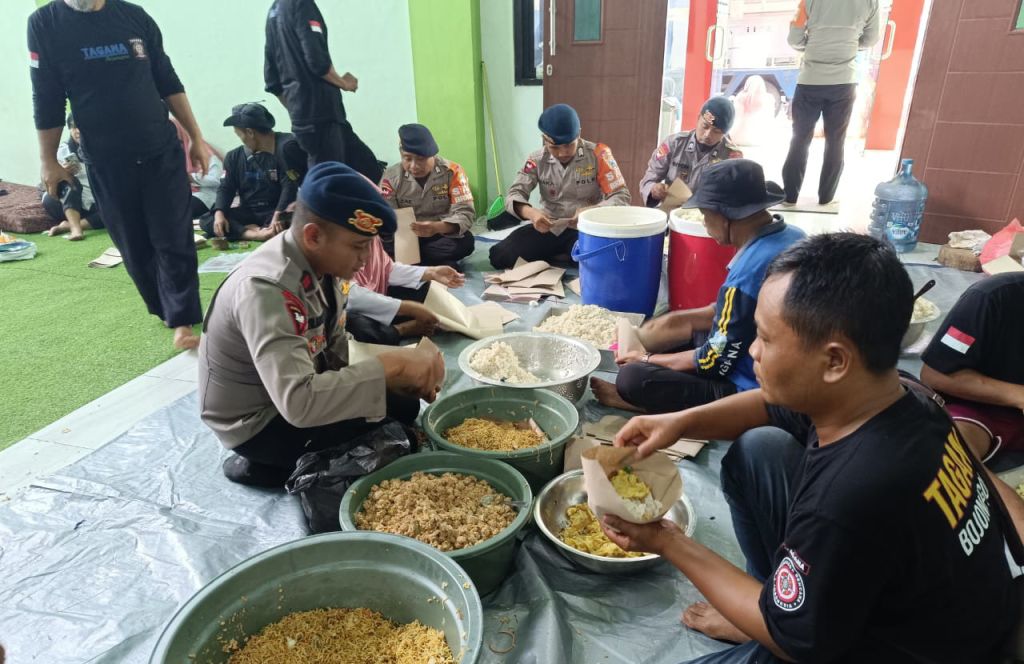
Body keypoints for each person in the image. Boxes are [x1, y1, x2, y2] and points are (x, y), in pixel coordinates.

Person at [604, 233, 1021, 663]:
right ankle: (775, 605)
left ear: (835, 361)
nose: (752, 349)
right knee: (759, 449)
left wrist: (666, 540)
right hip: (949, 614)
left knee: (780, 639)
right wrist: (681, 421)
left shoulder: (850, 496)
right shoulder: (908, 399)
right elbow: (768, 405)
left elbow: (796, 646)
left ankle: (773, 614)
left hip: (889, 650)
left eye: (766, 337)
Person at [199, 162, 445, 487]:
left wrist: (394, 378)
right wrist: (389, 367)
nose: (366, 259)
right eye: (358, 247)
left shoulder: (324, 266)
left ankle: (291, 460)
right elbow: (298, 404)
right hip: (259, 421)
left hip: (290, 395)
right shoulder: (267, 289)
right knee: (397, 439)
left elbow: (333, 351)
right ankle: (266, 464)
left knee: (403, 404)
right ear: (313, 236)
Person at [30, 0, 209, 350]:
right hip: (106, 159)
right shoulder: (45, 23)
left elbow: (167, 80)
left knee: (173, 236)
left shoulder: (133, 16)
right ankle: (166, 308)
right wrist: (48, 159)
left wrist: (196, 138)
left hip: (160, 150)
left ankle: (183, 320)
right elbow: (46, 96)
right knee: (133, 243)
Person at [591, 160, 805, 414]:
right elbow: (738, 314)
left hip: (753, 390)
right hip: (776, 360)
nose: (704, 223)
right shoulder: (794, 235)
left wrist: (647, 359)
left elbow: (714, 361)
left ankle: (644, 402)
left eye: (705, 215)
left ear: (725, 217)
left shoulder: (746, 274)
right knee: (681, 334)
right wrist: (683, 320)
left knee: (633, 378)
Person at [488, 104, 631, 269]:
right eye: (555, 147)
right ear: (545, 138)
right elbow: (514, 194)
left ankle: (560, 256)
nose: (563, 153)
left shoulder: (599, 154)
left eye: (569, 145)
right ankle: (562, 256)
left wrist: (591, 211)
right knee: (500, 256)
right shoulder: (536, 159)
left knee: (602, 260)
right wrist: (533, 214)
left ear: (579, 134)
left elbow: (621, 196)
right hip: (548, 228)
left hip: (584, 229)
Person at [264, 0, 383, 181]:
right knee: (329, 183)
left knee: (368, 167)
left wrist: (298, 110)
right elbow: (318, 62)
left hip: (317, 118)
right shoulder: (302, 5)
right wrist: (344, 83)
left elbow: (271, 80)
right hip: (321, 116)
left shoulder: (273, 12)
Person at [781, 0, 880, 206]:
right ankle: (826, 198)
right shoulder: (871, 2)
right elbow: (870, 39)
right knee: (836, 141)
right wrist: (848, 45)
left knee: (799, 139)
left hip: (810, 80)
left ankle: (790, 197)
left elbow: (794, 38)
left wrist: (813, 46)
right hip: (844, 82)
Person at [921, 272, 1024, 463]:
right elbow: (935, 374)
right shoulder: (989, 298)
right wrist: (1018, 396)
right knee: (947, 456)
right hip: (980, 409)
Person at [199, 103, 308, 242]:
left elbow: (290, 184)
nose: (241, 139)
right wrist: (219, 213)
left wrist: (278, 215)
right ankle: (254, 234)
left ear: (250, 132)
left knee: (296, 218)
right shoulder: (234, 157)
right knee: (208, 219)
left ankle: (252, 229)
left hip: (276, 209)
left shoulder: (287, 147)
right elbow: (226, 187)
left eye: (239, 135)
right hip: (250, 211)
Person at [379, 124, 476, 268]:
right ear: (401, 155)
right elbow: (386, 217)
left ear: (433, 155)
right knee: (380, 244)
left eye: (421, 159)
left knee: (466, 242)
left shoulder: (453, 172)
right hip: (405, 237)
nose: (414, 166)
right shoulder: (391, 178)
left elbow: (465, 213)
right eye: (407, 158)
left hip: (440, 234)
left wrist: (437, 227)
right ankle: (435, 264)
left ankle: (414, 264)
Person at [347, 235, 466, 346]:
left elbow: (387, 269)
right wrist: (406, 308)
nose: (367, 254)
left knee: (423, 287)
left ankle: (397, 324)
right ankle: (401, 329)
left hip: (375, 297)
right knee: (359, 327)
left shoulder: (370, 234)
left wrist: (430, 272)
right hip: (348, 311)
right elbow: (347, 294)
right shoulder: (338, 240)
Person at [638, 96, 742, 207]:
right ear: (698, 119)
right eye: (705, 126)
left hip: (708, 219)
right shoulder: (674, 144)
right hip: (672, 214)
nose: (707, 134)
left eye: (716, 131)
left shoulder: (732, 157)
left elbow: (736, 197)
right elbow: (648, 179)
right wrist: (654, 189)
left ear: (724, 134)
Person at [42, 112, 104, 240]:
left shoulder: (102, 149)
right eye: (73, 127)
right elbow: (48, 181)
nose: (77, 131)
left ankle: (69, 226)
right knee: (67, 183)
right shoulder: (63, 150)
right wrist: (63, 172)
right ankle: (75, 229)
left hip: (95, 204)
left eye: (81, 127)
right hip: (68, 204)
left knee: (117, 211)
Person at [171, 116, 223, 221]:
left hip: (204, 196)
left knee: (178, 213)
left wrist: (192, 178)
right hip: (182, 195)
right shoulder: (172, 156)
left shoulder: (206, 155)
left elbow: (217, 181)